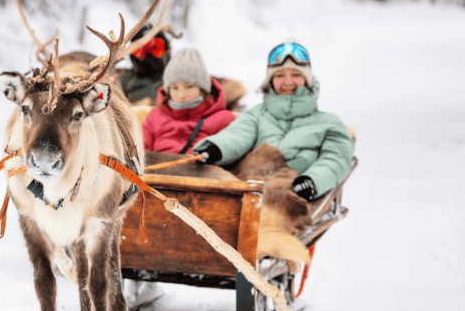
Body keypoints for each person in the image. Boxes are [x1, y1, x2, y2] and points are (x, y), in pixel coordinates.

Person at [193, 40, 355, 201]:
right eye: (280, 75)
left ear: (307, 80)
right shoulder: (256, 115)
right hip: (251, 194)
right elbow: (237, 136)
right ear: (270, 80)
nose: (288, 82)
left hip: (293, 200)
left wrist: (312, 181)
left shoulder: (329, 123)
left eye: (296, 74)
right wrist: (216, 148)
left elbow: (336, 159)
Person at [142, 48, 236, 154]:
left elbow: (232, 147)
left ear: (202, 89)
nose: (182, 95)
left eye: (189, 87)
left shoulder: (224, 119)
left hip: (202, 168)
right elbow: (141, 149)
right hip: (156, 168)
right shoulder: (154, 116)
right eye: (175, 88)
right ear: (167, 90)